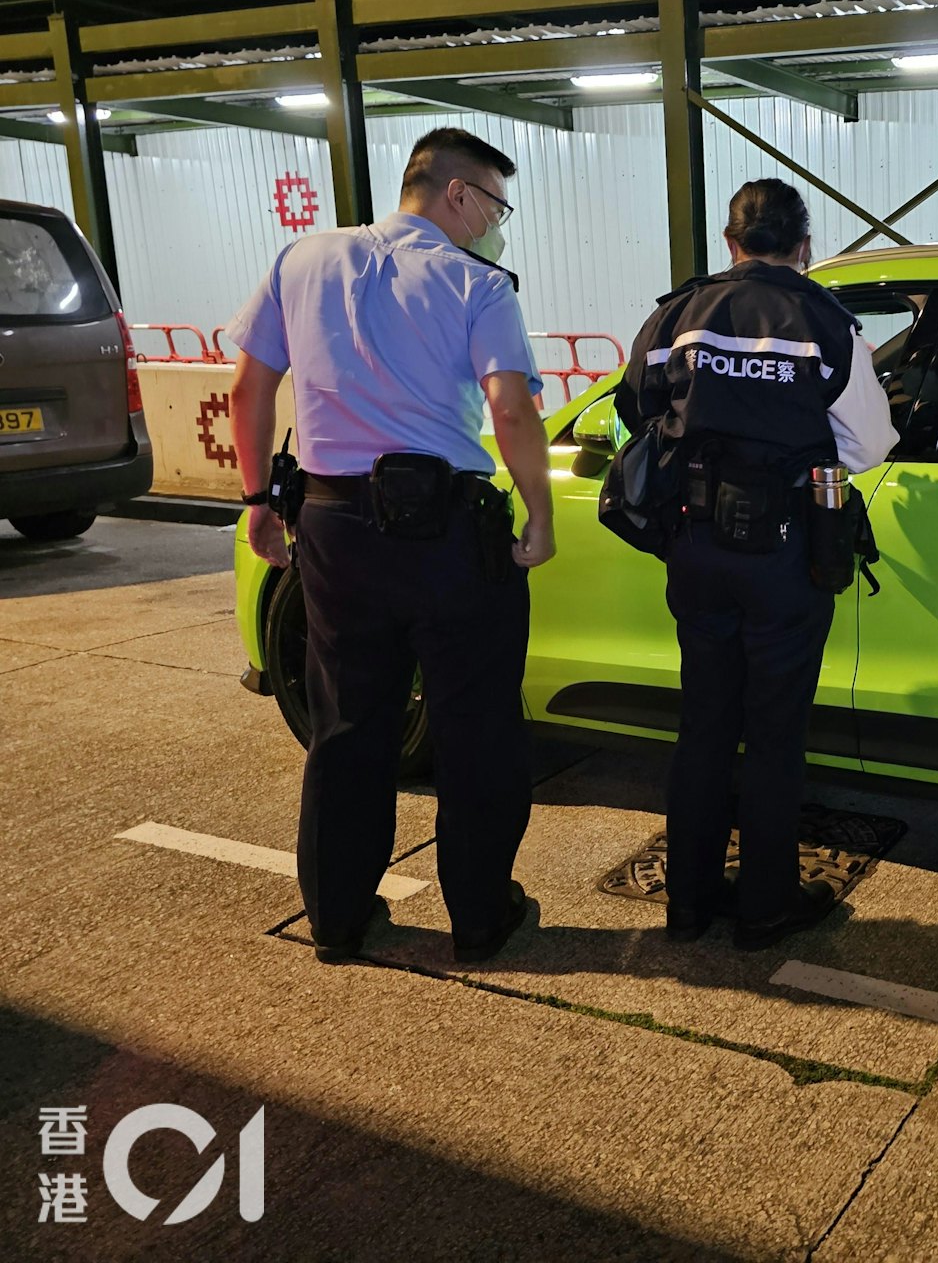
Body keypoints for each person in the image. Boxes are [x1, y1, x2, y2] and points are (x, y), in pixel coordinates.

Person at [227, 127, 556, 966]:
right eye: (495, 203)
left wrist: (259, 500)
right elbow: (511, 408)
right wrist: (539, 513)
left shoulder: (301, 260)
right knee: (475, 726)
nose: (496, 222)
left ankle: (337, 918)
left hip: (333, 526)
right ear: (457, 195)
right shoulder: (476, 283)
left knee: (347, 723)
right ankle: (481, 917)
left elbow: (250, 384)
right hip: (448, 534)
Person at [620, 179, 897, 949]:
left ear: (730, 241)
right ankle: (766, 905)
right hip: (785, 549)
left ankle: (688, 902)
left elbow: (637, 408)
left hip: (696, 544)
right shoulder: (826, 321)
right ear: (803, 246)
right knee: (775, 732)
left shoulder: (676, 314)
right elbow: (870, 444)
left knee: (704, 723)